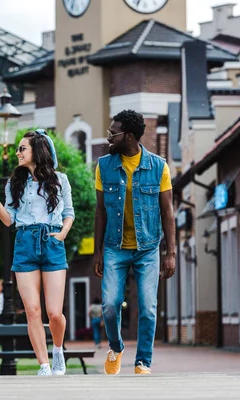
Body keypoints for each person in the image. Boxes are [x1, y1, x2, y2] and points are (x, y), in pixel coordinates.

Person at [0, 129, 74, 376]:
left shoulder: (61, 180)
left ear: (37, 151)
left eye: (22, 148)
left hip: (52, 242)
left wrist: (62, 234)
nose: (17, 152)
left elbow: (68, 212)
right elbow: (8, 220)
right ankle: (44, 365)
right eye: (18, 148)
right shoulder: (14, 184)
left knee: (54, 313)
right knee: (32, 310)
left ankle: (58, 351)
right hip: (25, 243)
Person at [93, 109, 176, 375]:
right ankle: (116, 348)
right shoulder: (103, 166)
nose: (108, 138)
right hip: (114, 247)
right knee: (110, 304)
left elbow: (168, 211)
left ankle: (143, 362)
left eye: (112, 133)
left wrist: (170, 252)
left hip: (148, 248)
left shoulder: (158, 166)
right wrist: (97, 252)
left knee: (148, 307)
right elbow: (100, 212)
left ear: (128, 136)